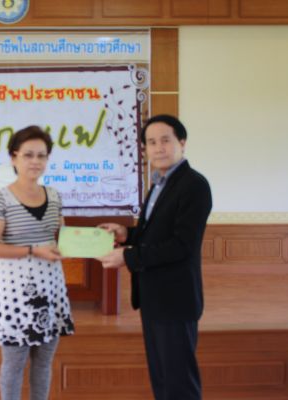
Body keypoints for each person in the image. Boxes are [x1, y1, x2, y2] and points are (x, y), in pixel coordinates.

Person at [97, 114, 212, 400]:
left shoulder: (194, 185)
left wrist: (128, 257)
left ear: (182, 142)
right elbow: (156, 235)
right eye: (151, 142)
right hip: (154, 297)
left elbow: (182, 245)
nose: (158, 148)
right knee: (162, 380)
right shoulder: (160, 183)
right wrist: (126, 234)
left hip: (175, 300)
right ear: (145, 149)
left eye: (165, 140)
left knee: (179, 384)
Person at [0, 125, 75, 400]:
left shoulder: (54, 195)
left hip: (51, 288)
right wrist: (34, 250)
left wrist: (92, 240)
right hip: (15, 293)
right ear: (14, 157)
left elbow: (62, 238)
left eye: (42, 155)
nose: (35, 161)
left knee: (44, 362)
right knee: (14, 364)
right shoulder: (0, 198)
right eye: (28, 155)